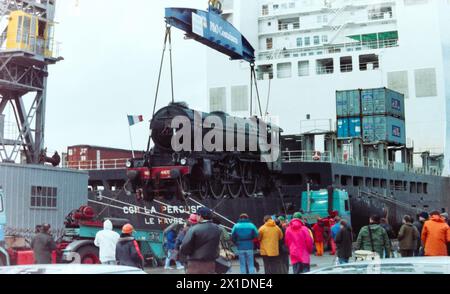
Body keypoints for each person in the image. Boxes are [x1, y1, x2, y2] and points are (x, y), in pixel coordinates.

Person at [180, 207, 222, 274]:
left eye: (197, 215)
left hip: (195, 264)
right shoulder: (218, 229)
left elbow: (185, 247)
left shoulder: (194, 229)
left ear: (200, 216)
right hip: (211, 263)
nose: (196, 216)